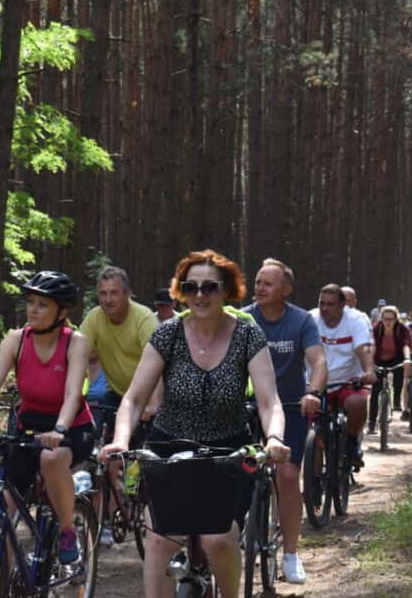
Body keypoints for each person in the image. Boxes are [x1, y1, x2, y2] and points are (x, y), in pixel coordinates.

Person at [101, 249, 289, 598]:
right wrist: (121, 440)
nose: (200, 295)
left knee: (218, 539)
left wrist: (275, 437)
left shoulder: (248, 335)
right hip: (169, 447)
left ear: (227, 290)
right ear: (181, 291)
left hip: (227, 450)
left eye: (209, 287)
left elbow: (268, 401)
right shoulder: (168, 334)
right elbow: (134, 399)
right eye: (191, 287)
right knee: (160, 540)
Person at [0, 271, 95, 564]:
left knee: (51, 459)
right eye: (31, 302)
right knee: (0, 509)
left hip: (72, 427)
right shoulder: (15, 339)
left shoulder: (75, 342)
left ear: (62, 313)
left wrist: (60, 429)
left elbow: (72, 393)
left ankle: (67, 530)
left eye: (43, 304)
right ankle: (9, 576)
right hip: (28, 428)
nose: (33, 310)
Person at [241, 258, 327, 585]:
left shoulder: (301, 320)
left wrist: (312, 392)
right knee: (233, 473)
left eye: (268, 283)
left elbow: (318, 361)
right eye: (258, 282)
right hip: (247, 407)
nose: (260, 288)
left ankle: (290, 554)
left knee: (288, 476)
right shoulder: (244, 319)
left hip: (291, 407)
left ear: (286, 289)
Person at [80, 265, 159, 545]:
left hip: (151, 391)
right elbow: (77, 356)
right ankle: (105, 517)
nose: (107, 299)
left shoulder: (144, 319)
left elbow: (161, 363)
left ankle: (148, 508)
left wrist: (153, 404)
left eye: (114, 293)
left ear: (127, 294)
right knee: (105, 454)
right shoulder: (94, 318)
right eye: (102, 293)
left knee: (144, 456)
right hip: (117, 393)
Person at [310, 284, 375, 467]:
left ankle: (352, 441)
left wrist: (369, 371)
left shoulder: (355, 320)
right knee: (313, 435)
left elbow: (363, 349)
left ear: (342, 306)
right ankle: (313, 479)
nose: (324, 308)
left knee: (357, 403)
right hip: (316, 382)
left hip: (348, 380)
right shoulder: (311, 319)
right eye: (321, 303)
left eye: (330, 304)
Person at [369, 306, 412, 427]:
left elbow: (406, 345)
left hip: (396, 358)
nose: (388, 322)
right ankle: (371, 423)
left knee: (399, 375)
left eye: (391, 319)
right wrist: (370, 361)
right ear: (381, 318)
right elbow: (373, 346)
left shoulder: (402, 329)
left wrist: (407, 359)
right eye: (385, 319)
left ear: (396, 319)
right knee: (375, 391)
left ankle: (396, 401)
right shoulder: (376, 328)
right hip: (379, 359)